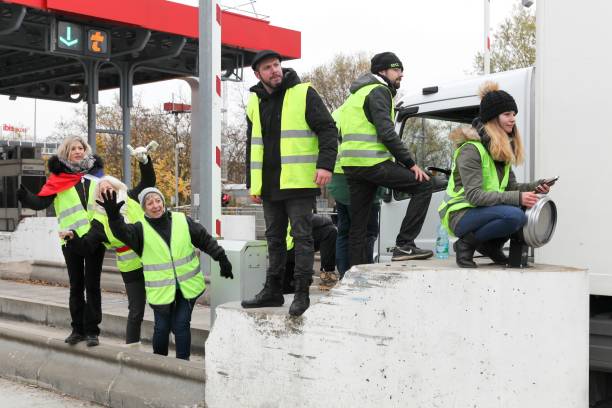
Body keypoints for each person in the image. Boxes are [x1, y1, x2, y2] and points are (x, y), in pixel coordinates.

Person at [240, 49, 338, 316]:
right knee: (273, 239)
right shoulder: (254, 101)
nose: (275, 71)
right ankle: (273, 291)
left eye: (277, 65)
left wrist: (325, 164)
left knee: (302, 237)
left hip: (298, 181)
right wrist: (253, 184)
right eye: (268, 68)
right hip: (270, 184)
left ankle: (302, 293)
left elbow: (328, 128)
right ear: (258, 74)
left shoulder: (304, 92)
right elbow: (252, 145)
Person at [99, 187, 233, 360]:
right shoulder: (139, 229)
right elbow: (121, 232)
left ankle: (183, 364)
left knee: (181, 324)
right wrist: (114, 217)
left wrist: (221, 258)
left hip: (188, 286)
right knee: (161, 328)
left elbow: (204, 239)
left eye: (157, 200)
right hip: (161, 289)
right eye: (149, 203)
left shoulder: (182, 220)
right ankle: (160, 363)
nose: (155, 205)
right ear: (144, 208)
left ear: (163, 201)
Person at [438, 81, 552, 268]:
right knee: (515, 215)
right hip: (460, 214)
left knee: (524, 209)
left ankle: (490, 247)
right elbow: (475, 196)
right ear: (492, 118)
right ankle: (465, 244)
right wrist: (518, 197)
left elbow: (511, 188)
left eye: (514, 114)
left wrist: (535, 186)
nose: (513, 119)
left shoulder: (499, 151)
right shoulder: (471, 150)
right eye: (507, 114)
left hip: (481, 211)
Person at [337, 52, 434, 268]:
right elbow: (387, 133)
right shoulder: (379, 91)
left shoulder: (355, 95)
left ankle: (354, 276)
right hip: (373, 163)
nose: (401, 74)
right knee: (424, 185)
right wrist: (410, 163)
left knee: (358, 227)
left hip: (352, 167)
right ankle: (404, 245)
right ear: (382, 71)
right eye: (397, 70)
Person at [17, 135, 104, 347]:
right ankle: (78, 330)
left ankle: (92, 331)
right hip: (70, 239)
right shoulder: (58, 178)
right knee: (76, 286)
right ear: (66, 153)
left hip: (94, 238)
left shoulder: (96, 176)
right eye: (73, 148)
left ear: (85, 150)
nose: (78, 151)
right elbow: (40, 202)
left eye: (80, 148)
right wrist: (23, 195)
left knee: (92, 286)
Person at [61, 150, 155, 346]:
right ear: (98, 196)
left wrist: (144, 161)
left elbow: (148, 182)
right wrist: (73, 238)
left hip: (154, 258)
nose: (105, 190)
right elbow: (87, 246)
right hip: (131, 266)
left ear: (115, 185)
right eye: (101, 189)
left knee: (163, 306)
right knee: (136, 310)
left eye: (108, 185)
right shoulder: (99, 220)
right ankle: (132, 350)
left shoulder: (131, 198)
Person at [283, 214, 337, 293]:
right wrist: (329, 218)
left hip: (286, 251)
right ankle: (327, 275)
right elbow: (308, 218)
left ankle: (326, 274)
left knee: (329, 230)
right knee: (330, 231)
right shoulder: (297, 205)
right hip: (289, 251)